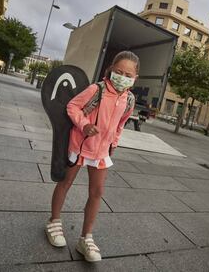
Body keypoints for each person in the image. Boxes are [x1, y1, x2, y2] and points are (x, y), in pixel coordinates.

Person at [45, 51, 139, 262]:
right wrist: (84, 124)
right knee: (65, 183)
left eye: (127, 74)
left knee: (97, 192)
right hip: (80, 146)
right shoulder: (96, 89)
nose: (122, 76)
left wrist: (114, 142)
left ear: (135, 77)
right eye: (118, 71)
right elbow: (72, 106)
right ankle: (53, 222)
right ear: (110, 70)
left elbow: (121, 123)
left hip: (102, 152)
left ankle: (85, 238)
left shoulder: (129, 99)